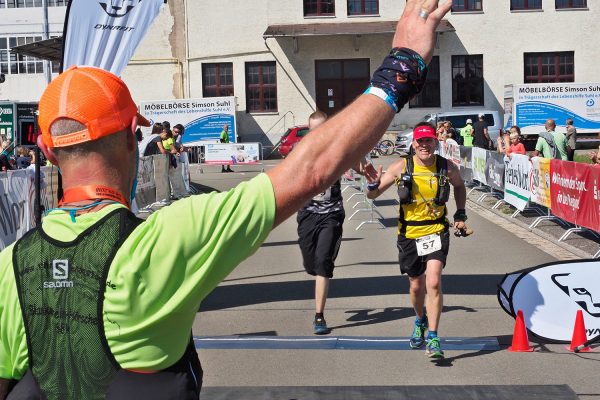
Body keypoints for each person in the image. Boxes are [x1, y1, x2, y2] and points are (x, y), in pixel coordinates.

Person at [0, 1, 452, 398]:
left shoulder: (8, 269)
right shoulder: (168, 237)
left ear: (45, 151)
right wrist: (404, 64)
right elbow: (311, 169)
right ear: (129, 137)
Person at [366, 122, 468, 359]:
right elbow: (373, 194)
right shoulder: (402, 166)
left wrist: (460, 213)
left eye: (429, 141)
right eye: (420, 141)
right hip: (409, 233)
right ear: (414, 144)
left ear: (436, 143)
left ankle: (433, 337)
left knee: (433, 282)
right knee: (416, 285)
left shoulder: (446, 166)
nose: (425, 145)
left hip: (436, 231)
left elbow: (460, 186)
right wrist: (372, 183)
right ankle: (420, 319)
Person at [296, 110, 371, 335]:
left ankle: (319, 315)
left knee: (322, 263)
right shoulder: (301, 150)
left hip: (332, 214)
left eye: (322, 129)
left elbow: (359, 165)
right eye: (314, 130)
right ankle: (317, 272)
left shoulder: (338, 148)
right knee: (311, 263)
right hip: (308, 214)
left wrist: (365, 167)